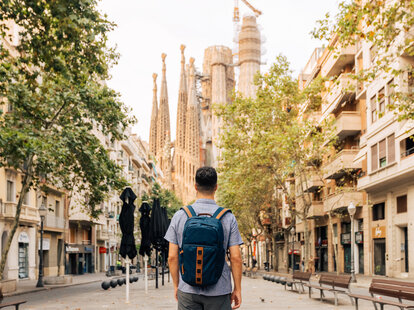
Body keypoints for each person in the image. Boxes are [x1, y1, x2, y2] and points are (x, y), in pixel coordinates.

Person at [165, 166, 243, 310]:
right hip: (219, 291)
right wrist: (237, 289)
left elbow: (172, 257)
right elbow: (236, 258)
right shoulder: (228, 218)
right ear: (216, 187)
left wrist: (177, 285)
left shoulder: (179, 216)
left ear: (195, 186)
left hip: (187, 290)